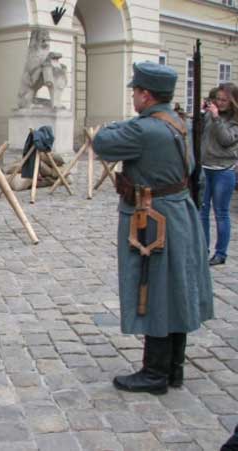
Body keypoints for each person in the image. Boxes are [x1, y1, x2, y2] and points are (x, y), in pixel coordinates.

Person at [93, 61, 213, 395]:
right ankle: (173, 367)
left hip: (153, 216)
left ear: (145, 95)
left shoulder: (144, 129)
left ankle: (155, 372)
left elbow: (102, 142)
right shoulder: (179, 122)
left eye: (135, 91)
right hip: (179, 213)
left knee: (154, 287)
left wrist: (129, 122)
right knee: (174, 287)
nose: (133, 96)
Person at [199, 82, 238, 266]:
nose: (220, 103)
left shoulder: (234, 121)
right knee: (202, 211)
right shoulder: (209, 115)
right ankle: (202, 249)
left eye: (224, 100)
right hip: (205, 168)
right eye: (218, 99)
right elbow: (198, 135)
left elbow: (225, 140)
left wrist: (215, 118)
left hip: (224, 171)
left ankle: (220, 253)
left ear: (232, 102)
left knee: (221, 213)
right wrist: (202, 114)